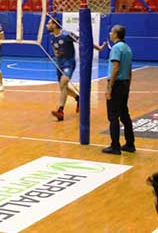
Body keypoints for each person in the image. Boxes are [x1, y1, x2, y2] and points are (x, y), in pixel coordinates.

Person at [47, 17, 105, 121]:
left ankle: (60, 111)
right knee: (63, 87)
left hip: (69, 63)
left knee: (64, 83)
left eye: (49, 23)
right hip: (59, 64)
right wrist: (56, 53)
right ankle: (78, 98)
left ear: (55, 25)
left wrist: (98, 48)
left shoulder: (67, 35)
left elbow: (84, 42)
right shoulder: (52, 38)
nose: (47, 25)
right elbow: (55, 50)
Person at [102, 25, 134, 155]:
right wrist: (128, 86)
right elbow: (130, 69)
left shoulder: (116, 48)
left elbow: (116, 68)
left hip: (117, 84)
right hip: (125, 83)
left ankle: (115, 146)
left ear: (115, 34)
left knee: (113, 116)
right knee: (124, 115)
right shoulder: (127, 48)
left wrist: (109, 87)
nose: (110, 33)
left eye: (111, 31)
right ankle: (130, 144)